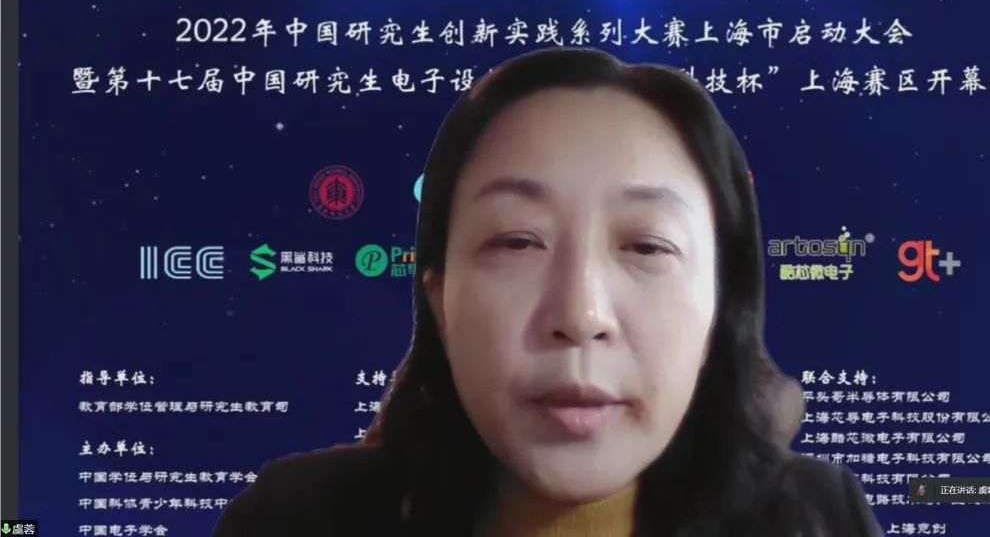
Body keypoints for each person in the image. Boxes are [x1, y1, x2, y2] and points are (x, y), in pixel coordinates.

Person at [212, 47, 882, 536]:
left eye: (647, 246)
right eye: (516, 241)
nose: (581, 315)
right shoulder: (294, 520)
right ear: (441, 301)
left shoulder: (818, 518)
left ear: (720, 304)